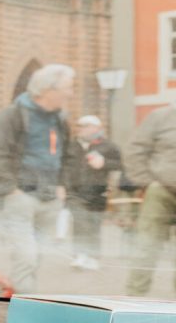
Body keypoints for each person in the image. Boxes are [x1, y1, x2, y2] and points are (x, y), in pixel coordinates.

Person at [0, 64, 78, 292]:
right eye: (67, 88)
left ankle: (23, 298)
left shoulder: (60, 120)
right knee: (26, 257)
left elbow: (68, 155)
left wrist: (63, 185)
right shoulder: (12, 116)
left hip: (50, 198)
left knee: (35, 257)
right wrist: (11, 188)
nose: (71, 94)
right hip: (21, 197)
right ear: (48, 90)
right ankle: (20, 304)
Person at [124, 102, 176, 297]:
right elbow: (135, 149)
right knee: (146, 247)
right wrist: (146, 182)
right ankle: (133, 300)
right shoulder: (161, 116)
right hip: (161, 191)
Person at [65, 115, 122, 271]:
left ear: (96, 128)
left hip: (98, 191)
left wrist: (104, 163)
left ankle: (93, 257)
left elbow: (120, 164)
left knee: (94, 225)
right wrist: (63, 186)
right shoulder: (72, 145)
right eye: (80, 126)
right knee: (79, 222)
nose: (81, 129)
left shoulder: (108, 146)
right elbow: (64, 166)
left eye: (86, 126)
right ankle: (79, 255)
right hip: (75, 191)